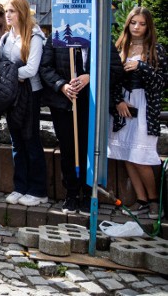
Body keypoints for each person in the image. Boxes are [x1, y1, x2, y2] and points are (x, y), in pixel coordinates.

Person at [40, 30, 123, 214]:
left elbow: (116, 69)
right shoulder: (57, 35)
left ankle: (88, 193)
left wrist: (91, 77)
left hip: (91, 103)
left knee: (89, 147)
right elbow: (45, 68)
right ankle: (71, 193)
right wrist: (62, 85)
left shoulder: (99, 35)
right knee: (68, 148)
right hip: (64, 103)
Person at [108, 6, 166, 219]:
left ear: (148, 26)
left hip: (145, 106)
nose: (137, 27)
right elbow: (111, 78)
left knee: (141, 156)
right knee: (127, 155)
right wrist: (117, 101)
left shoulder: (156, 49)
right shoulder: (120, 46)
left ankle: (153, 201)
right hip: (124, 106)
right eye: (133, 23)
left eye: (141, 23)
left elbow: (161, 82)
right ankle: (141, 200)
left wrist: (142, 66)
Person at [0, 0, 47, 207]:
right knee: (16, 141)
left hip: (30, 93)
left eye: (12, 11)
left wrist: (9, 74)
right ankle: (20, 186)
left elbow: (31, 69)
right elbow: (1, 65)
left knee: (31, 140)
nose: (8, 15)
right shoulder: (5, 38)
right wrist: (10, 75)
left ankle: (38, 189)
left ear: (22, 12)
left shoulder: (35, 36)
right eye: (6, 11)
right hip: (12, 94)